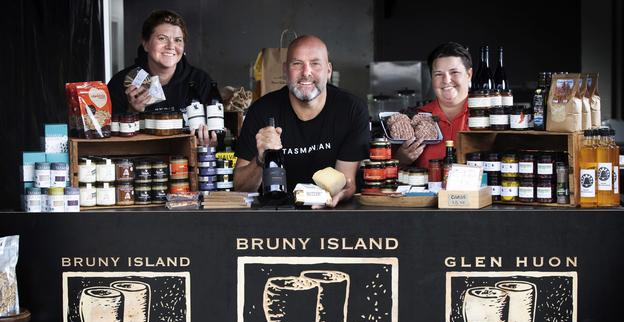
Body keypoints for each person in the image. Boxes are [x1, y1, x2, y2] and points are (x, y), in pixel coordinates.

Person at [234, 35, 369, 207]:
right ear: (285, 70)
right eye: (297, 63)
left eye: (315, 63)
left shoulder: (351, 110)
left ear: (328, 71)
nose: (306, 72)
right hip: (273, 217)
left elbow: (345, 182)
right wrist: (261, 159)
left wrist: (337, 194)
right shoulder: (262, 110)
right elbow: (241, 188)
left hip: (334, 216)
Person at [107, 9, 221, 145]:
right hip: (139, 160)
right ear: (145, 43)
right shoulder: (122, 82)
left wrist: (211, 142)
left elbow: (215, 128)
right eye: (162, 38)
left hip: (188, 159)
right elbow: (110, 140)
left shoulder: (200, 80)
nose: (171, 46)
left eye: (178, 40)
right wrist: (132, 111)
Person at [395, 42, 472, 168]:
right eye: (438, 74)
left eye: (454, 72)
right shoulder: (414, 118)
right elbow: (390, 172)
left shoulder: (490, 118)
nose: (446, 80)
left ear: (469, 75)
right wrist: (401, 160)